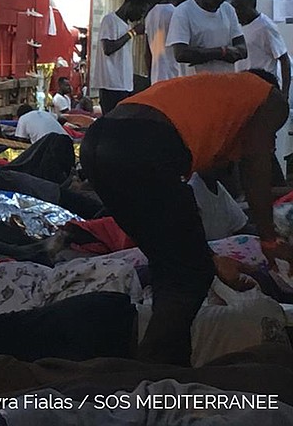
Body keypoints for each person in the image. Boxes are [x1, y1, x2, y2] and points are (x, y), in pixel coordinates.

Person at [79, 70, 293, 366]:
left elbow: (181, 224)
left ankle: (166, 366)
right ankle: (155, 372)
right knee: (187, 279)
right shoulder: (270, 99)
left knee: (174, 267)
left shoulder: (212, 96)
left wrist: (207, 257)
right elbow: (255, 169)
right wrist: (268, 240)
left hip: (97, 144)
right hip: (142, 145)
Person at [168, 0, 247, 74]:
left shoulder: (228, 9)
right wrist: (222, 52)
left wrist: (201, 53)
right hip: (195, 85)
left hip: (224, 83)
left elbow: (243, 49)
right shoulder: (184, 11)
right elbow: (181, 54)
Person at [90, 0, 151, 114]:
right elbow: (108, 48)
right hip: (111, 86)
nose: (141, 16)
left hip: (124, 86)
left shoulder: (126, 25)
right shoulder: (110, 20)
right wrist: (132, 33)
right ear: (130, 4)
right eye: (141, 11)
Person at [231, 0, 291, 98]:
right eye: (233, 7)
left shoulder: (265, 27)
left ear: (251, 5)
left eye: (240, 7)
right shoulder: (235, 26)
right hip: (241, 87)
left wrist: (284, 94)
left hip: (263, 88)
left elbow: (284, 59)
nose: (236, 11)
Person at [146, 0, 194, 84]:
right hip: (173, 78)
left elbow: (147, 53)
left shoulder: (151, 14)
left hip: (156, 79)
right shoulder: (175, 14)